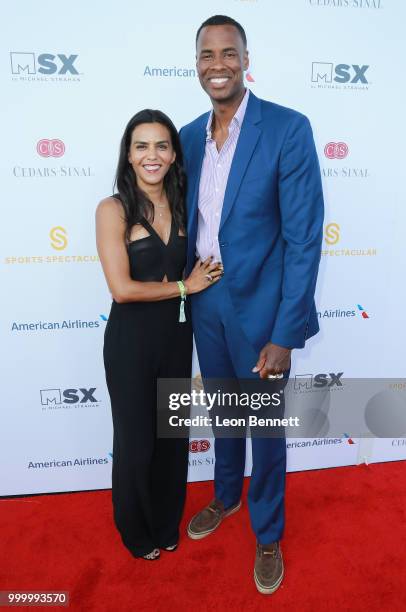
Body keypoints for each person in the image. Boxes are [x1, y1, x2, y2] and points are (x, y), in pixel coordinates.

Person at [180, 16, 324, 593]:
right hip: (206, 305)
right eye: (207, 55)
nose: (218, 65)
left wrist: (286, 332)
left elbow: (304, 237)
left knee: (263, 427)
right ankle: (224, 497)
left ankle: (267, 532)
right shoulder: (188, 135)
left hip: (264, 311)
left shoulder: (287, 129)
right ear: (196, 63)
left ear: (245, 58)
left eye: (228, 53)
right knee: (223, 412)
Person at [95, 109, 223, 560]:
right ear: (128, 155)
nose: (152, 155)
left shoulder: (184, 204)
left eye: (161, 146)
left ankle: (167, 524)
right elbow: (122, 288)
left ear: (173, 155)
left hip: (176, 338)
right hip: (130, 342)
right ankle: (137, 534)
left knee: (172, 440)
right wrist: (187, 285)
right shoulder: (113, 209)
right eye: (142, 146)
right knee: (134, 443)